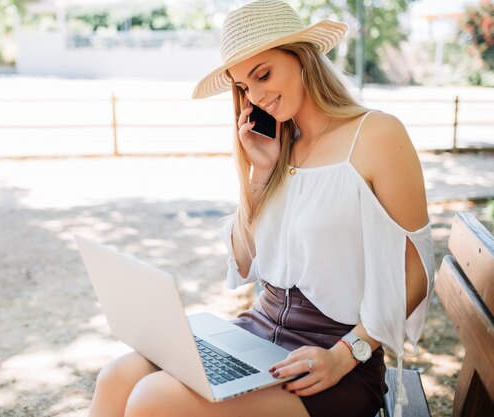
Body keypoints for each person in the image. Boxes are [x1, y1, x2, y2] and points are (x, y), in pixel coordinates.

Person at [87, 1, 435, 416]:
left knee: (154, 398)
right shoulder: (279, 147)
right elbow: (242, 259)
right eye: (243, 86)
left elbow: (414, 273)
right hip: (256, 331)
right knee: (116, 378)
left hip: (332, 358)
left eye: (263, 74)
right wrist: (260, 175)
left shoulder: (376, 134)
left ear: (303, 57)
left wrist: (347, 353)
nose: (256, 96)